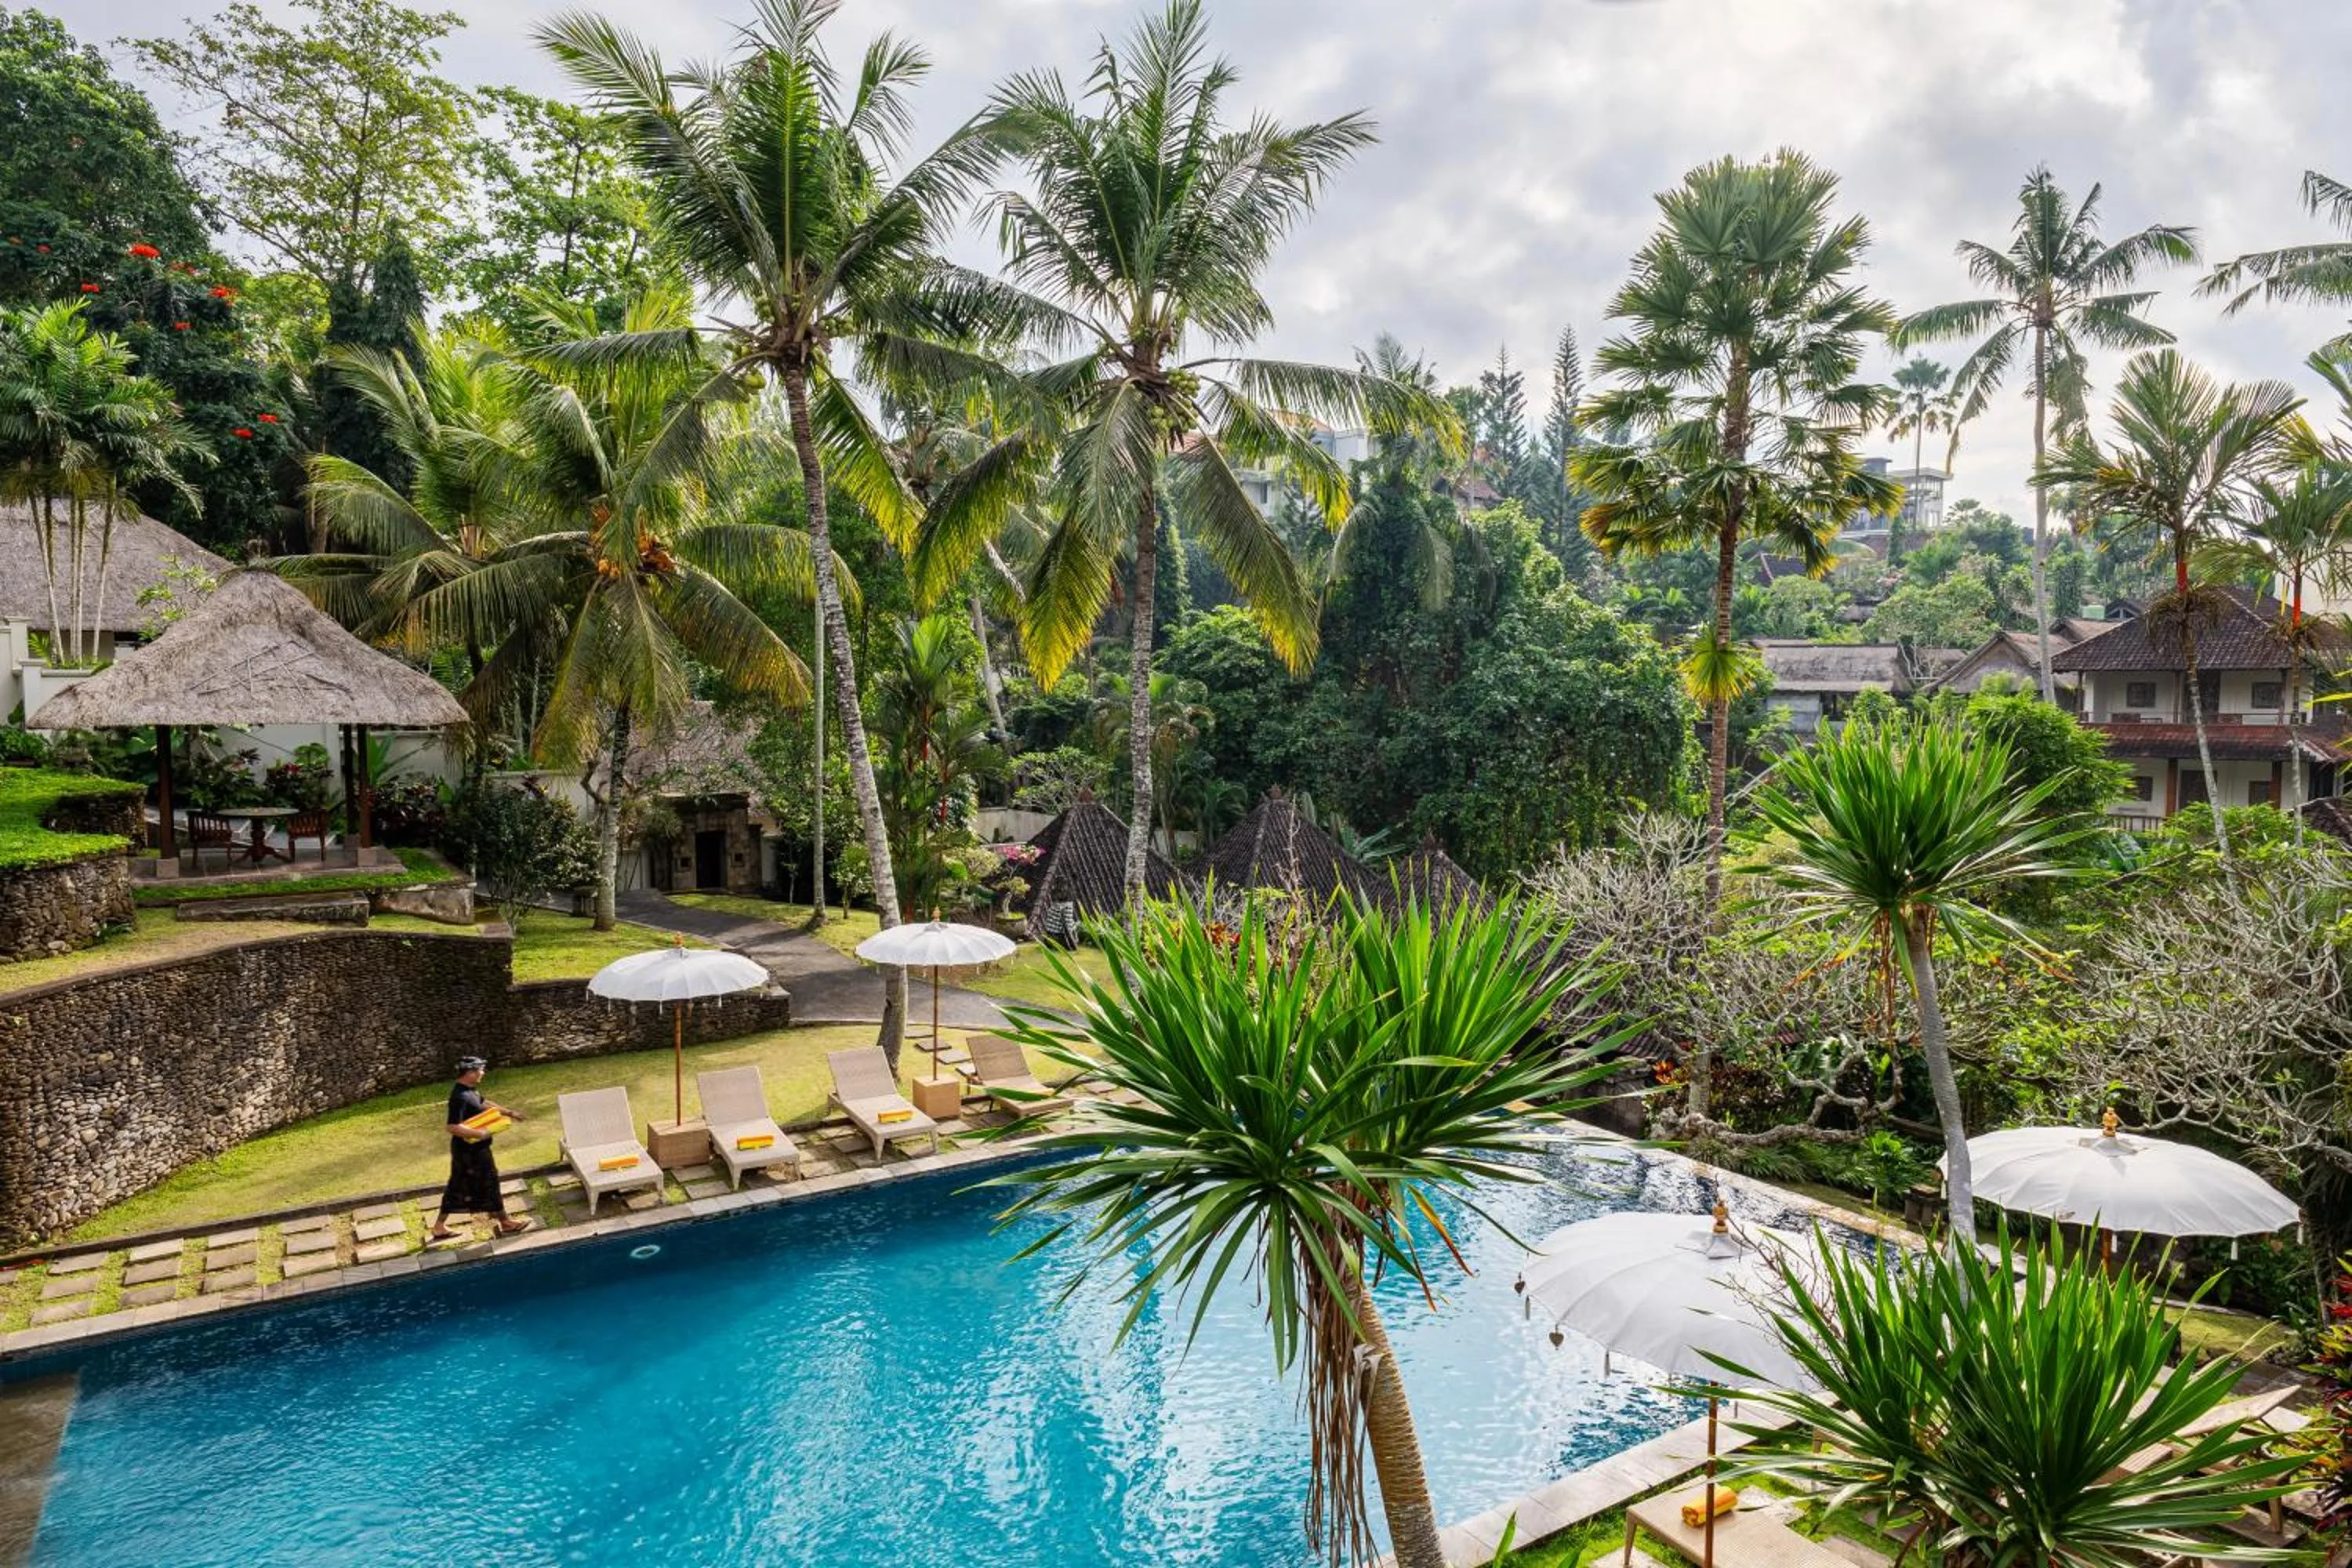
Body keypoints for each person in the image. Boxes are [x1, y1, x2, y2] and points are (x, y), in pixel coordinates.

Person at [430, 1056, 531, 1240]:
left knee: (460, 1184)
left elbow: (485, 1104)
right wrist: (481, 1134)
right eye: (480, 1070)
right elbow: (452, 1126)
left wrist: (510, 1113)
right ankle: (505, 1222)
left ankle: (439, 1226)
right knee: (488, 1180)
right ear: (469, 1073)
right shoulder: (459, 1097)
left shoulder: (469, 1091)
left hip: (474, 1150)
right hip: (469, 1152)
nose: (483, 1073)